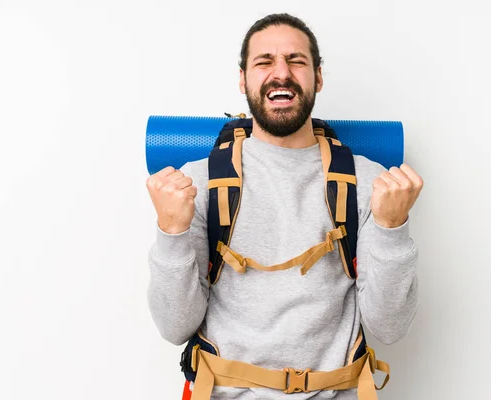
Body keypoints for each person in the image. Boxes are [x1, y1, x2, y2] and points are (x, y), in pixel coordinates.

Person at [146, 13, 423, 400]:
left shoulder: (367, 181)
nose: (281, 73)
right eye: (264, 62)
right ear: (243, 79)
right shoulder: (199, 182)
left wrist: (393, 228)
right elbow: (175, 327)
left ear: (318, 77)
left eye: (296, 61)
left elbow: (389, 327)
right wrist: (171, 232)